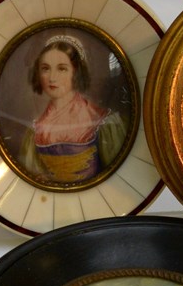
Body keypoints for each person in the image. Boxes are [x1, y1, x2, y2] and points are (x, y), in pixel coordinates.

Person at [17, 35, 126, 183]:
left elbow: (117, 178)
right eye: (45, 69)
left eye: (62, 69)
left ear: (76, 72)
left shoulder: (102, 121)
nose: (52, 77)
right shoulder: (35, 130)